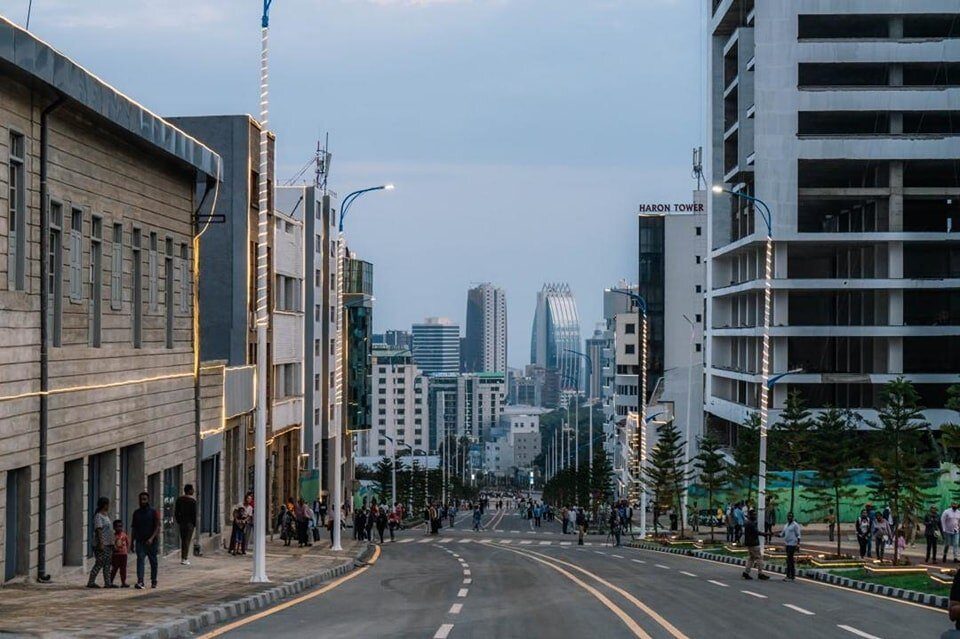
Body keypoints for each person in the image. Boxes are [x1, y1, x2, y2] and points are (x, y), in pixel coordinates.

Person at [131, 491, 161, 589]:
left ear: (148, 500)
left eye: (144, 499)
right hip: (140, 541)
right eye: (141, 499)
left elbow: (157, 527)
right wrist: (132, 542)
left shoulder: (153, 512)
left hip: (152, 542)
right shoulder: (136, 513)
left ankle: (154, 580)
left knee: (153, 561)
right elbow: (134, 528)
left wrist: (152, 538)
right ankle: (140, 581)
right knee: (140, 560)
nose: (142, 501)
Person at [87, 497, 114, 588]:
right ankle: (91, 582)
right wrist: (101, 543)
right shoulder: (98, 516)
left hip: (109, 543)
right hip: (102, 544)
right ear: (104, 505)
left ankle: (108, 583)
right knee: (99, 562)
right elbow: (99, 530)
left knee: (107, 564)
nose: (108, 506)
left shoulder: (106, 515)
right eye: (107, 504)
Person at [741, 509, 770, 581]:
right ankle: (760, 574)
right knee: (759, 558)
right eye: (754, 515)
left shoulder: (748, 523)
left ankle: (746, 573)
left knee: (751, 558)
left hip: (749, 543)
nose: (755, 516)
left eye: (755, 515)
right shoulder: (751, 524)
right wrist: (765, 534)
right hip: (754, 544)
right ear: (750, 516)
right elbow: (756, 532)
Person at [174, 484, 197, 565]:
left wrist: (179, 521)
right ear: (189, 490)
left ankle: (183, 557)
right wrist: (194, 524)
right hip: (189, 523)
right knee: (187, 541)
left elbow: (176, 512)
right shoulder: (192, 501)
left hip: (182, 523)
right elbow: (194, 514)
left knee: (183, 540)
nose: (193, 491)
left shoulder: (179, 500)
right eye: (192, 489)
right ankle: (184, 558)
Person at [779, 511, 802, 582]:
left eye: (791, 516)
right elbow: (782, 534)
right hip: (787, 544)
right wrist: (773, 534)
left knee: (789, 559)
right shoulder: (786, 525)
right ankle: (791, 576)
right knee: (790, 560)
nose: (789, 517)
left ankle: (789, 576)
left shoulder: (795, 525)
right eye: (788, 516)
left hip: (793, 544)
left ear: (793, 517)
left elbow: (798, 535)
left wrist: (798, 544)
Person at [109, 519, 129, 587]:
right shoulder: (113, 536)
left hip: (123, 555)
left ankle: (123, 582)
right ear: (114, 527)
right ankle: (110, 581)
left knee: (123, 569)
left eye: (120, 526)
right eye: (117, 526)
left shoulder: (124, 535)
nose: (119, 528)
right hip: (116, 555)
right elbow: (112, 544)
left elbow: (127, 543)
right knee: (114, 569)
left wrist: (126, 550)